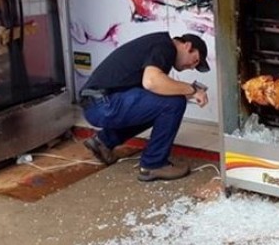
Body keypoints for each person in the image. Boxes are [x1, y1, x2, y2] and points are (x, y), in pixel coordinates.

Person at [80, 32, 210, 182]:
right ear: (188, 46)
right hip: (103, 105)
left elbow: (151, 88)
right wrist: (192, 89)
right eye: (195, 61)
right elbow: (152, 82)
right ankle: (154, 164)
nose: (192, 67)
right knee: (174, 103)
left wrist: (185, 91)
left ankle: (103, 142)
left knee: (161, 103)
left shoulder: (159, 45)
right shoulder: (166, 47)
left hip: (97, 104)